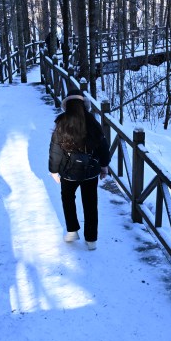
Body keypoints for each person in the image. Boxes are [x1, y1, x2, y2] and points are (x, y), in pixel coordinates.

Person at [48, 89, 111, 250]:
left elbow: (55, 150)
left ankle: (72, 230)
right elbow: (103, 147)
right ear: (85, 105)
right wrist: (104, 166)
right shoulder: (93, 122)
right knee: (91, 203)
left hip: (69, 172)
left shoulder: (61, 123)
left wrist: (54, 170)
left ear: (67, 105)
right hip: (90, 171)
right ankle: (91, 240)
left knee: (68, 199)